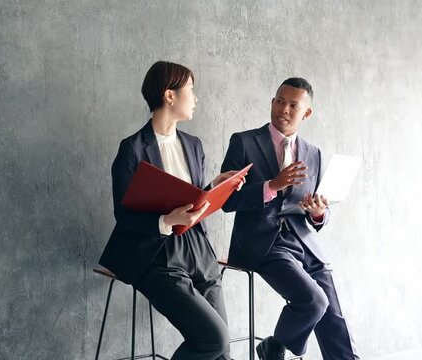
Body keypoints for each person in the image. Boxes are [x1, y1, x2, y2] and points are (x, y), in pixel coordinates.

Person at [98, 61, 244, 360]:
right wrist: (166, 220)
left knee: (222, 351)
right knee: (213, 341)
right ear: (170, 96)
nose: (196, 97)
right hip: (156, 253)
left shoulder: (194, 145)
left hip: (198, 249)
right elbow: (124, 214)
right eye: (191, 89)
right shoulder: (133, 149)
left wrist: (216, 184)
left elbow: (194, 194)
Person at [219, 77, 360, 360]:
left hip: (304, 243)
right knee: (314, 300)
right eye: (279, 101)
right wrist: (272, 185)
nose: (283, 109)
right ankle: (274, 348)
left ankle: (280, 348)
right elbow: (227, 201)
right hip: (262, 244)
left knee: (333, 313)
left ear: (306, 113)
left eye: (293, 105)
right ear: (272, 102)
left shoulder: (314, 154)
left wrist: (319, 213)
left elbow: (322, 211)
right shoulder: (244, 142)